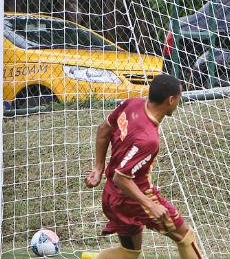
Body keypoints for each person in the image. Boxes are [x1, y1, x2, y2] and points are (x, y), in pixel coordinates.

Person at [83, 74, 202, 259]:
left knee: (129, 253)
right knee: (185, 237)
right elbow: (121, 177)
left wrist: (99, 168)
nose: (179, 102)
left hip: (112, 195)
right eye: (179, 98)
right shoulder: (148, 139)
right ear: (171, 100)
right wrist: (150, 205)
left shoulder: (132, 104)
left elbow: (103, 129)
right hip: (133, 198)